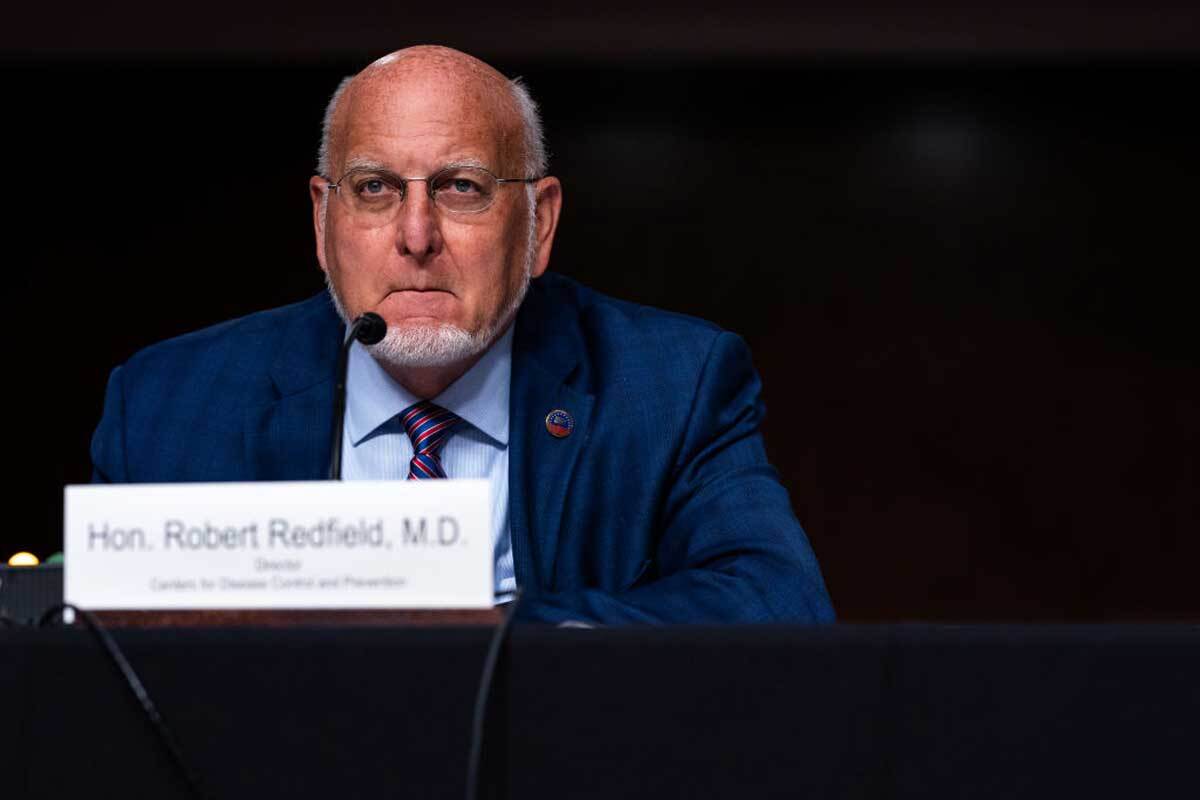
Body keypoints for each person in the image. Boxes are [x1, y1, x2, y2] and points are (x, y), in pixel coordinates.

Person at [90, 46, 834, 625]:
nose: (417, 237)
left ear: (539, 224)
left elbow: (777, 606)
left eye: (461, 187)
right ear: (322, 222)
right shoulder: (166, 404)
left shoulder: (674, 384)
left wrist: (486, 631)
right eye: (375, 188)